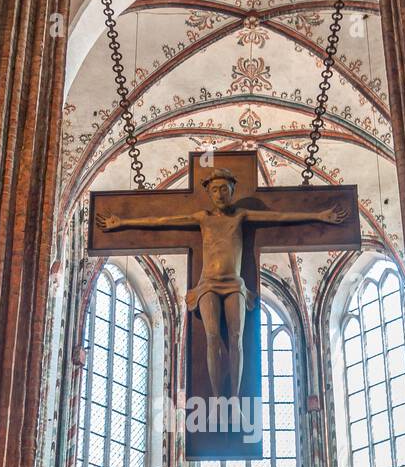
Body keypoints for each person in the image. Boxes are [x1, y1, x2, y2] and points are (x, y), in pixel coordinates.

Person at [99, 169, 348, 397]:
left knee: (237, 338)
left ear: (232, 191)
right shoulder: (202, 217)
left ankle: (236, 398)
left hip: (235, 285)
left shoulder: (241, 215)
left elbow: (279, 215)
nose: (219, 194)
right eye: (215, 189)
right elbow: (164, 220)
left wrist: (318, 215)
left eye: (224, 189)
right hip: (207, 284)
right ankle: (219, 397)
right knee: (212, 336)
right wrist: (122, 223)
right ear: (208, 192)